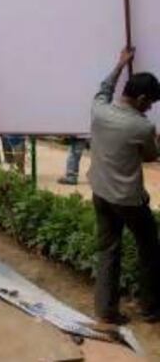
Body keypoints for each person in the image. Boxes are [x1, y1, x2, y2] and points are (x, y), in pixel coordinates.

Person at [89, 47, 160, 324]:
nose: (151, 107)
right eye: (151, 102)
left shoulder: (99, 109)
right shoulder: (141, 127)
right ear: (141, 99)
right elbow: (151, 156)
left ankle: (106, 310)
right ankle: (150, 307)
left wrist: (120, 64)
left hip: (100, 191)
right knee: (150, 248)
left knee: (108, 249)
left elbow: (104, 87)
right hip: (128, 200)